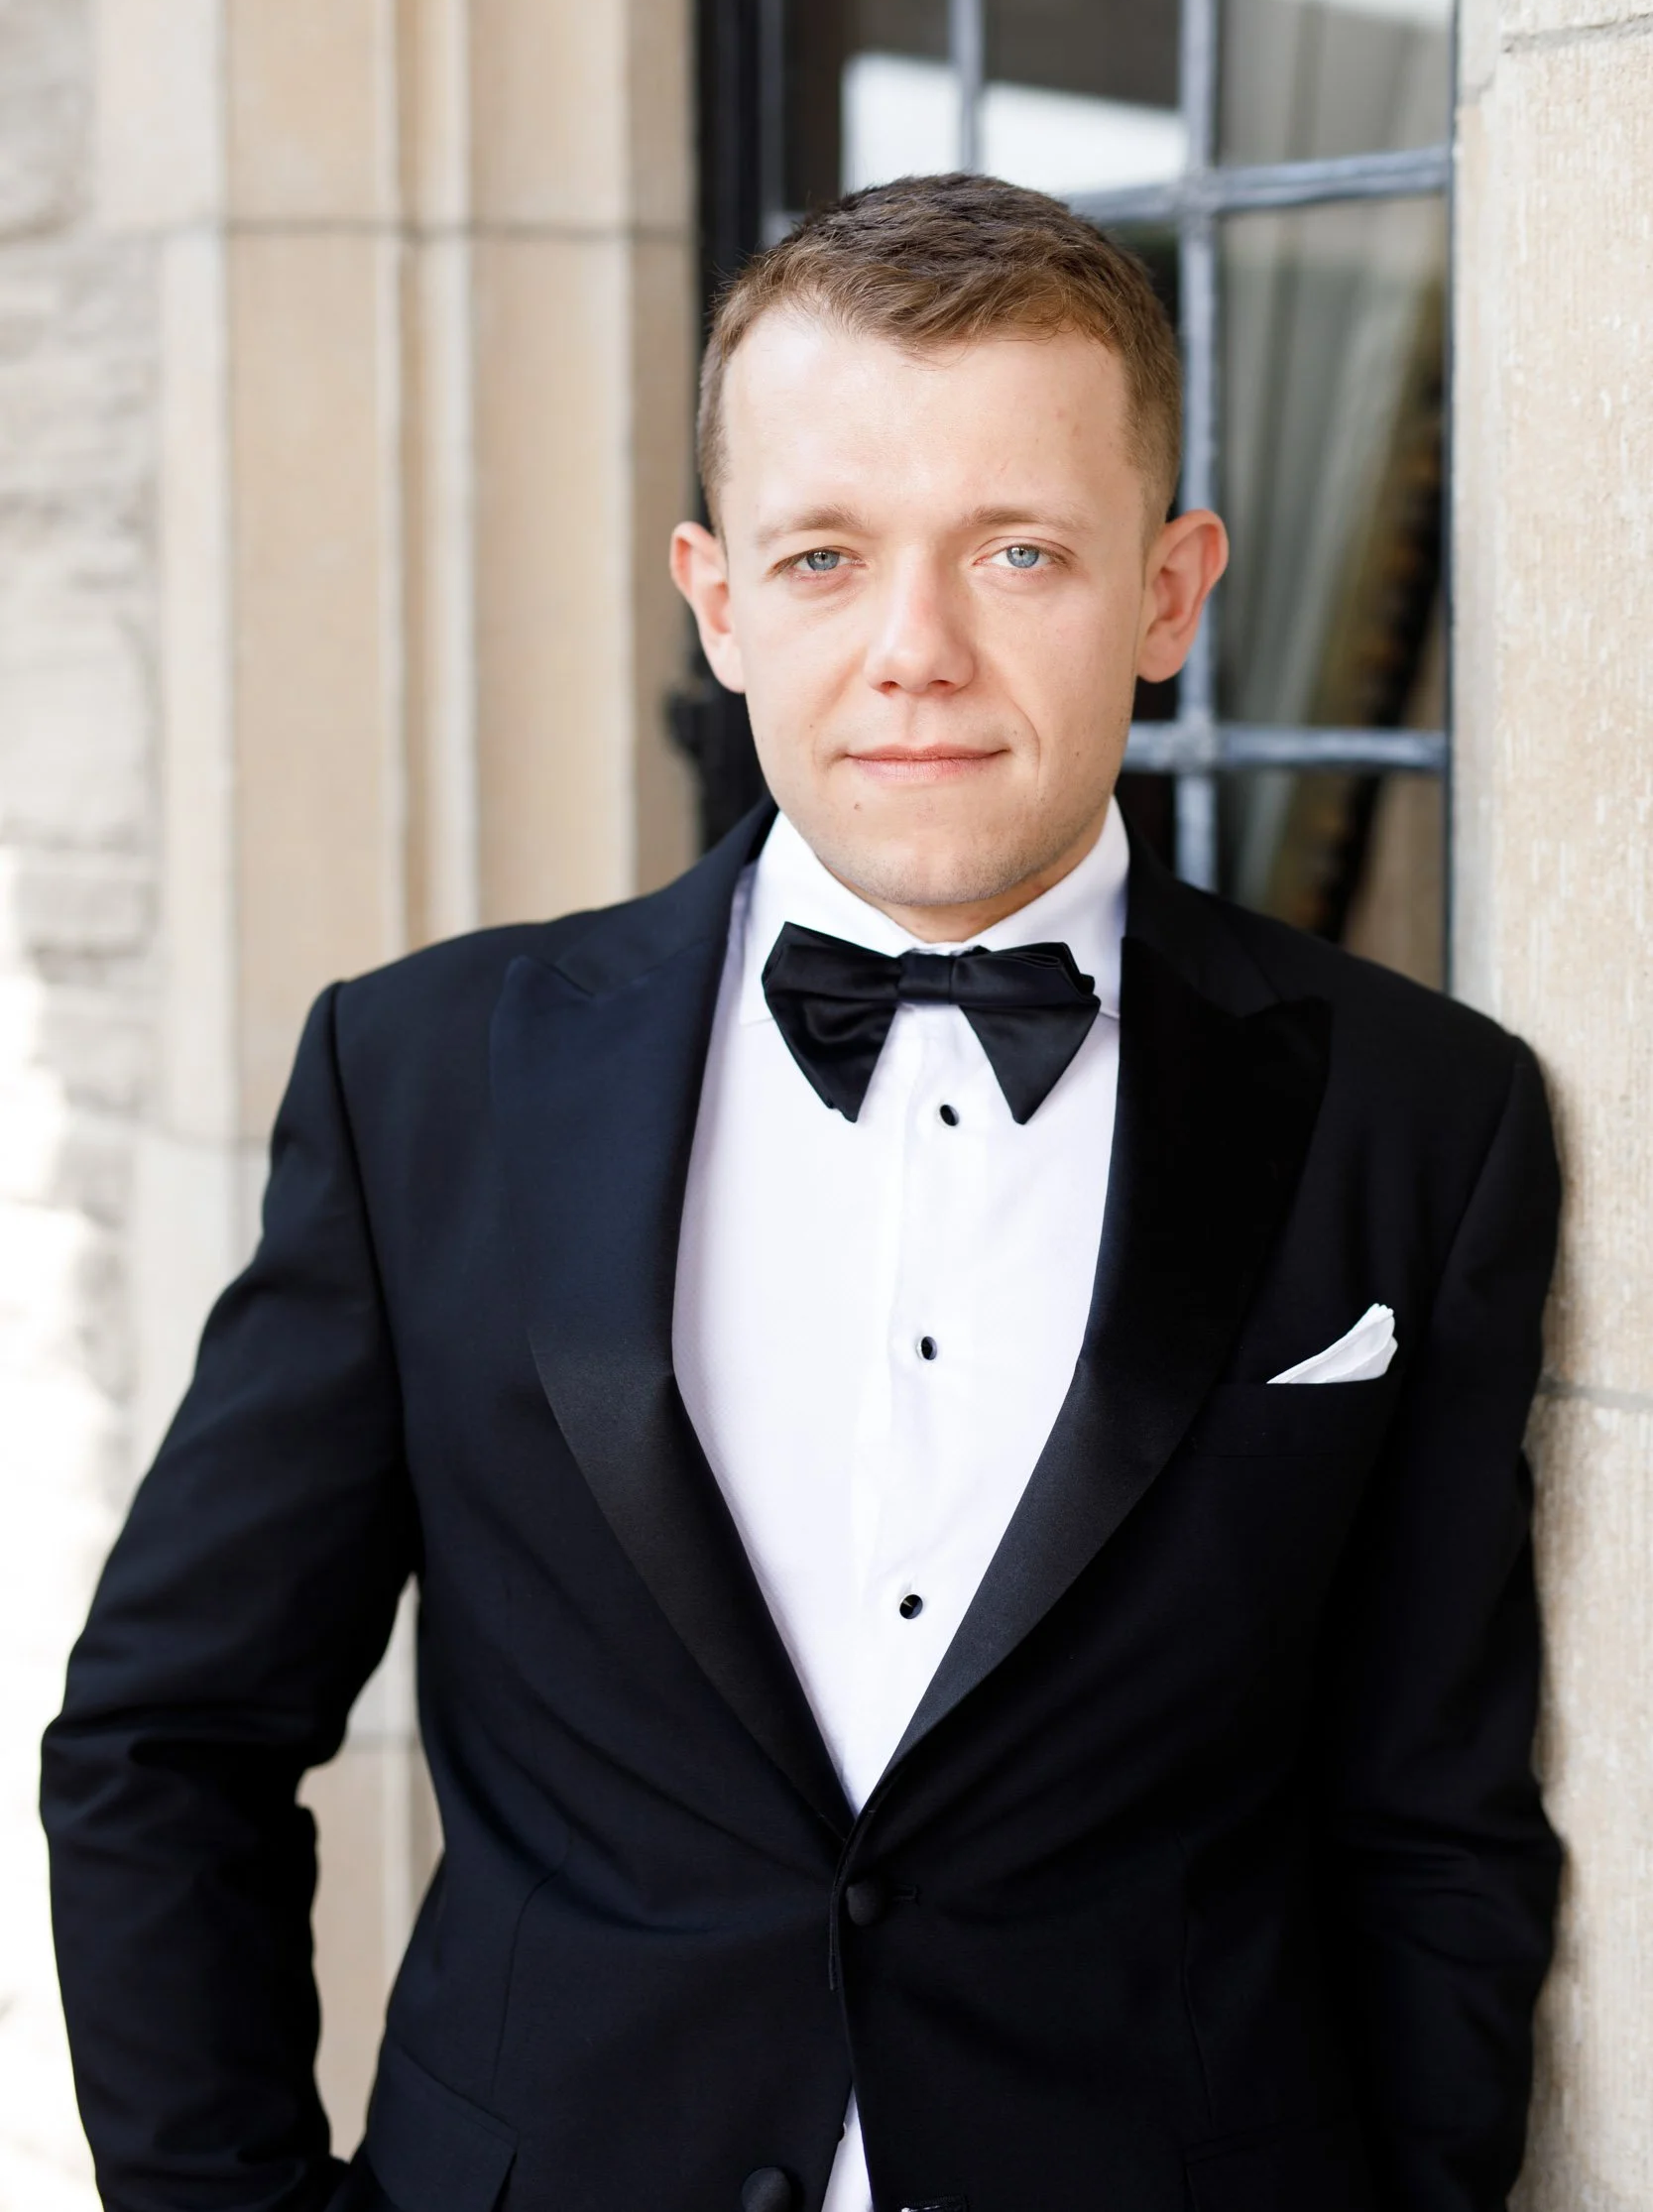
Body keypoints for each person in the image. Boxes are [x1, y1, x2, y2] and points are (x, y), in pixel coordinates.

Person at [43, 175, 1560, 2212]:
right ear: (717, 595)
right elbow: (169, 1740)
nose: (913, 651)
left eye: (1016, 550)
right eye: (825, 555)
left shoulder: (1417, 1115)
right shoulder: (424, 1080)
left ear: (1168, 588)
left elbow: (1431, 1822)